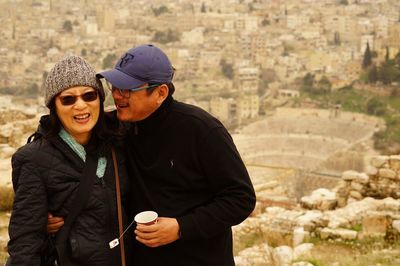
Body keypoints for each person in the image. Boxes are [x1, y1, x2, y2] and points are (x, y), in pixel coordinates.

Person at [97, 44, 256, 266]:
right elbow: (63, 132)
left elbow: (241, 199)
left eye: (127, 90)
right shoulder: (120, 126)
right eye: (114, 86)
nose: (117, 95)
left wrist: (181, 228)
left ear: (160, 93)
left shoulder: (201, 130)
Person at [7, 55, 129, 266]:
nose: (80, 105)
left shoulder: (119, 142)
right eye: (68, 99)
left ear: (100, 99)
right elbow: (26, 241)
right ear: (54, 106)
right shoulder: (33, 160)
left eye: (89, 95)